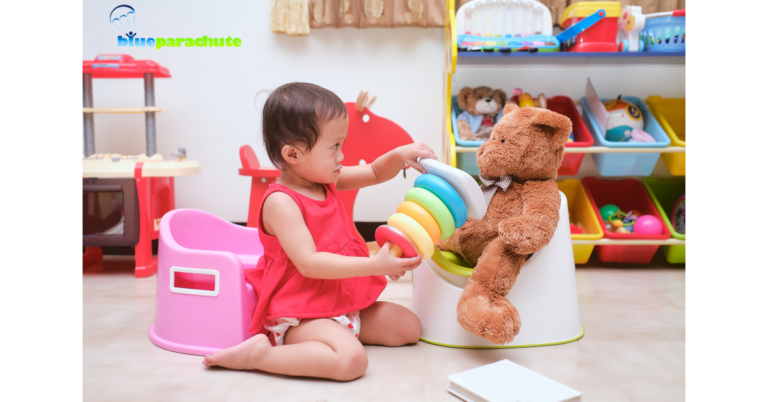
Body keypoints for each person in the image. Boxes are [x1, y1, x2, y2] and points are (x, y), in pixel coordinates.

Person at [203, 83, 437, 381]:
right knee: (352, 361)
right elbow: (310, 263)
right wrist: (374, 264)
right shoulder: (281, 202)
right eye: (335, 146)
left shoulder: (328, 181)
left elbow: (376, 172)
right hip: (303, 310)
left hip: (339, 300)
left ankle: (338, 333)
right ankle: (262, 355)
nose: (342, 156)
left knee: (409, 328)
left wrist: (400, 153)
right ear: (293, 154)